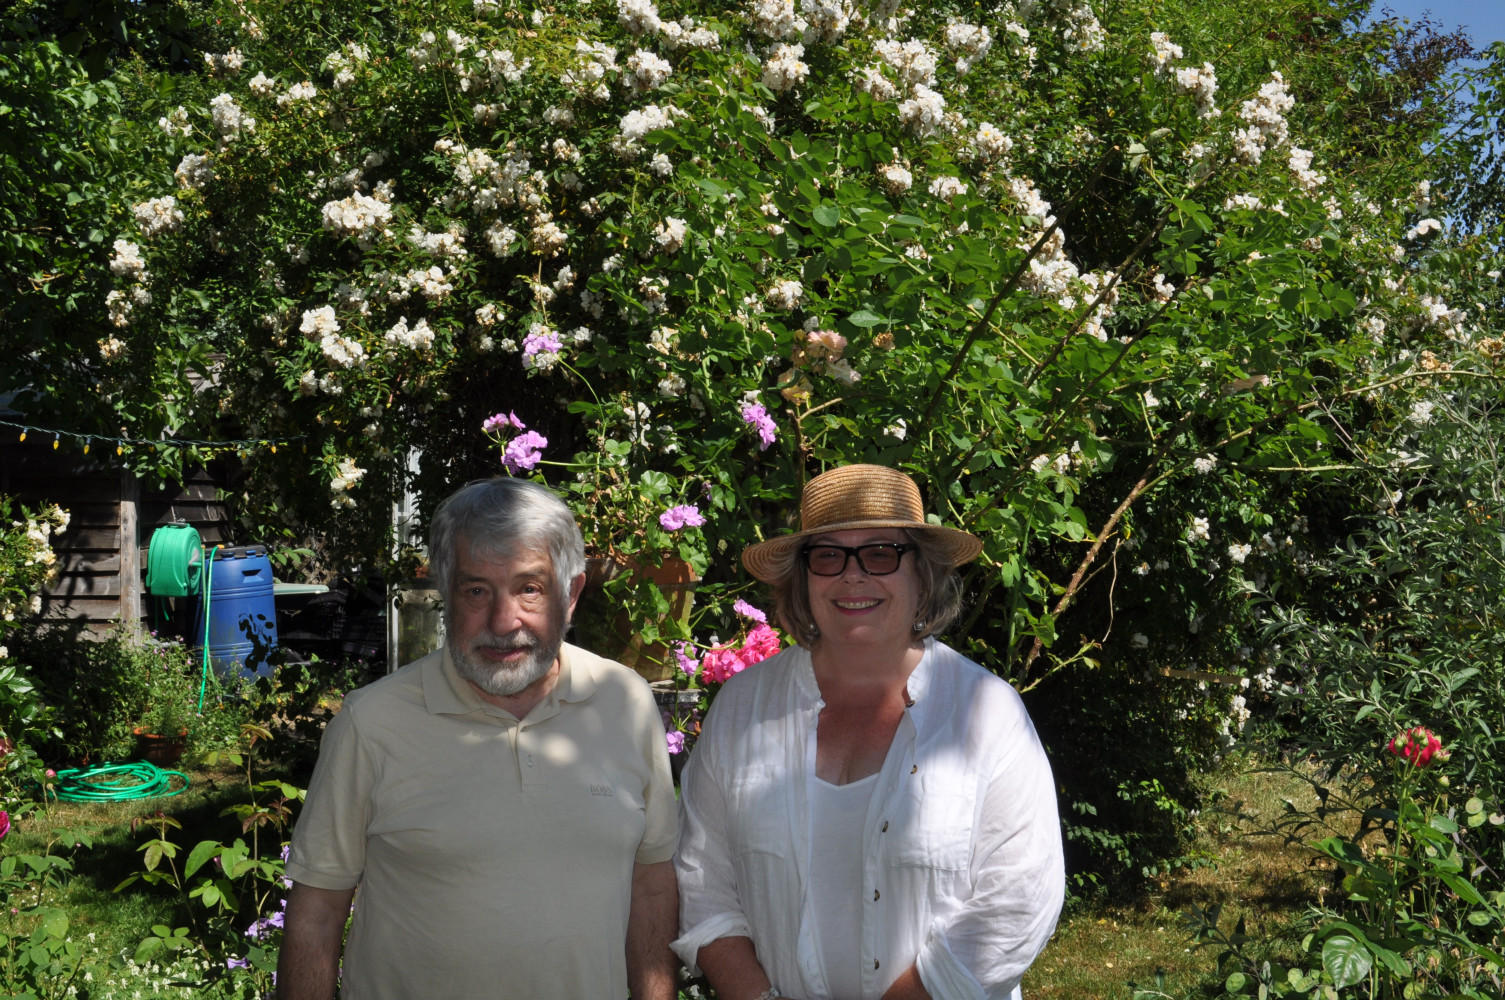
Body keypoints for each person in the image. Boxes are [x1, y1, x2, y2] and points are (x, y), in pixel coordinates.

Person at [277, 478, 679, 1000]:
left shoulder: (625, 703)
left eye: (529, 588)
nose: (503, 622)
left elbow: (652, 885)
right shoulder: (371, 723)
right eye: (476, 591)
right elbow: (317, 911)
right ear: (444, 593)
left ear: (571, 594)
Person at [672, 464, 1064, 1000]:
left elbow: (1019, 900)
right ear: (803, 577)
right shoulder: (743, 708)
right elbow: (701, 881)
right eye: (827, 555)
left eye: (881, 553)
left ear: (922, 573)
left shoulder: (985, 712)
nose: (852, 576)